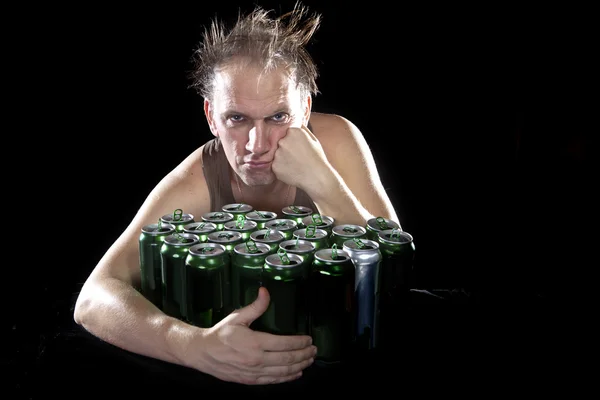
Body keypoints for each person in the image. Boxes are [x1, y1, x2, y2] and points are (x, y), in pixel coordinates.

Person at [73, 2, 399, 386]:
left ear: (305, 108)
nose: (257, 145)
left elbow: (393, 273)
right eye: (237, 119)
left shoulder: (339, 141)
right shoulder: (198, 177)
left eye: (278, 117)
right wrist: (191, 346)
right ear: (211, 117)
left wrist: (324, 182)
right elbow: (94, 297)